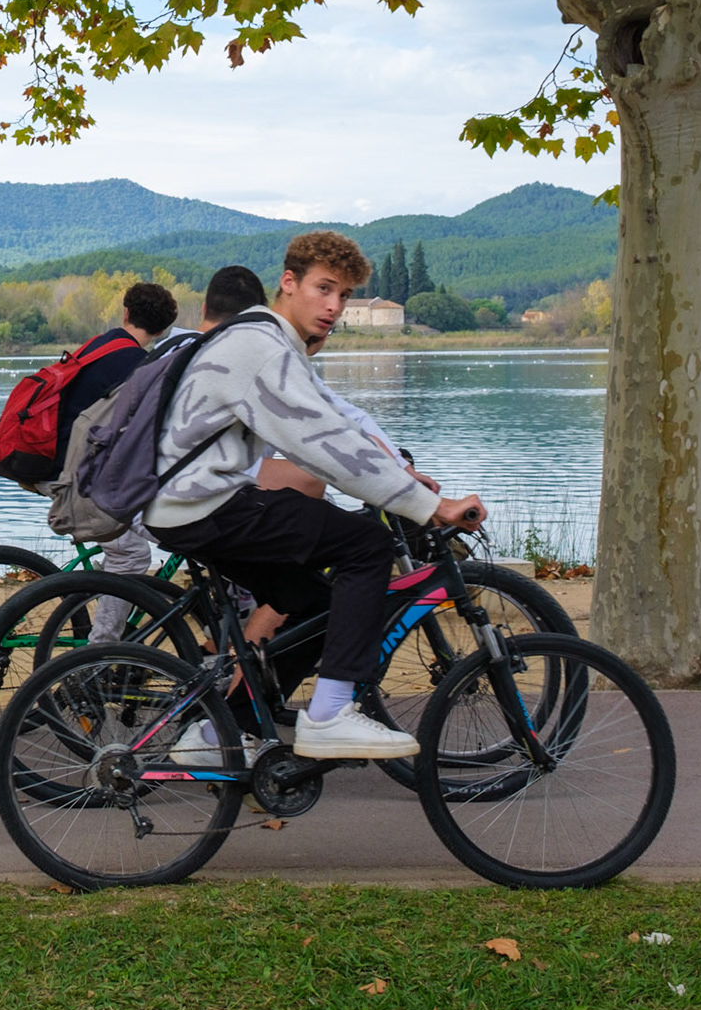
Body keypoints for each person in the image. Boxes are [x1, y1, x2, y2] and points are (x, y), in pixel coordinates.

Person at [142, 232, 485, 761]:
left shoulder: (270, 341)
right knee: (367, 546)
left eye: (345, 295)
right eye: (324, 288)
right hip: (204, 505)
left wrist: (397, 475)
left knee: (313, 607)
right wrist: (427, 507)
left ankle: (215, 736)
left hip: (190, 505)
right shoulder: (260, 346)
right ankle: (328, 717)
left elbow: (330, 424)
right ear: (288, 282)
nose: (334, 306)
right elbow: (322, 444)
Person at [47, 282, 179, 646]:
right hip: (71, 474)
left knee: (126, 543)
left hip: (52, 460)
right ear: (164, 329)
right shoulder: (137, 364)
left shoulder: (100, 344)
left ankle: (107, 602)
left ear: (125, 313)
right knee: (132, 556)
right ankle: (100, 651)